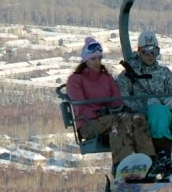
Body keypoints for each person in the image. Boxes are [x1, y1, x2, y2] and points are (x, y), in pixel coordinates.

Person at [116, 31, 172, 174]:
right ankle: (163, 156)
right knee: (158, 111)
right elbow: (123, 101)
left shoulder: (164, 72)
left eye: (154, 51)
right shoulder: (127, 76)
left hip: (168, 114)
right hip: (145, 118)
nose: (150, 56)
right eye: (146, 51)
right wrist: (145, 104)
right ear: (139, 51)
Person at [66, 36, 154, 172]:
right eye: (93, 59)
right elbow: (80, 106)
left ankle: (149, 161)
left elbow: (116, 99)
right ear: (85, 60)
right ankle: (121, 164)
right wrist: (102, 112)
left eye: (99, 58)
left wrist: (114, 109)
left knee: (138, 118)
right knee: (121, 119)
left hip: (110, 119)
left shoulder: (106, 77)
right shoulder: (76, 80)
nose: (97, 62)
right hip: (89, 124)